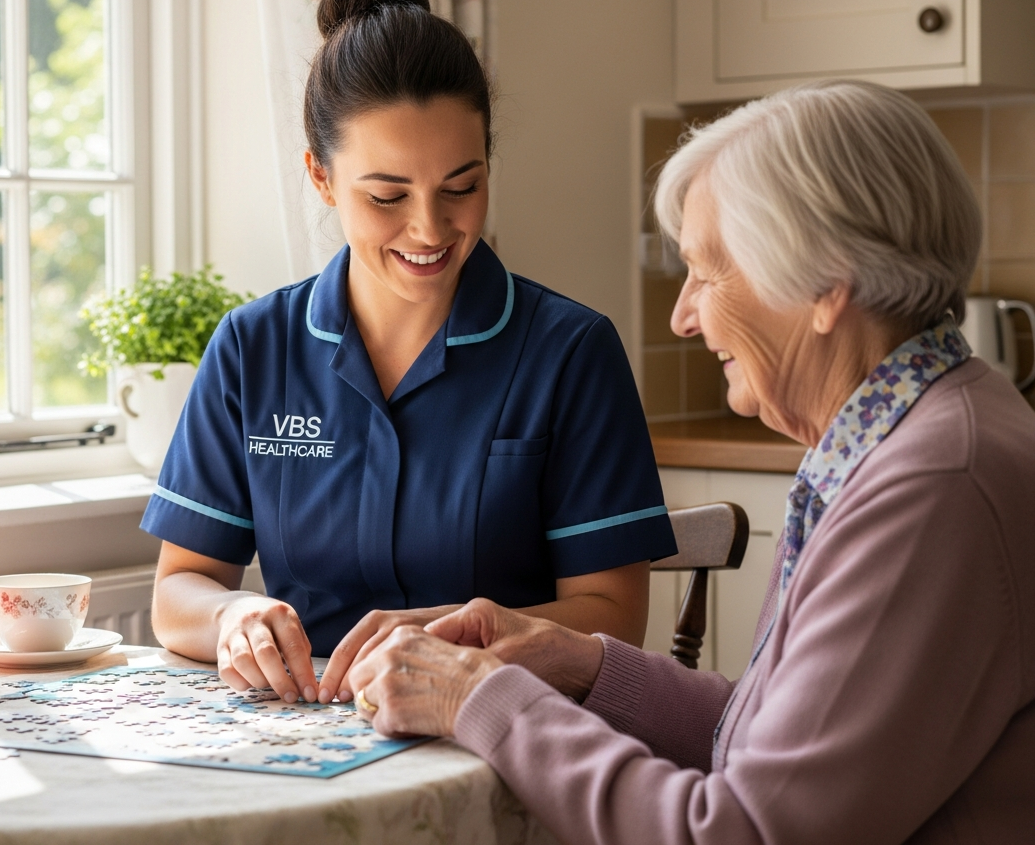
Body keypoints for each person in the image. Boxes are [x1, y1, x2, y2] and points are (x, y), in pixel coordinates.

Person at [347, 79, 1035, 844]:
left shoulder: (935, 490)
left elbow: (741, 832)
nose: (682, 316)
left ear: (826, 284)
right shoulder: (911, 441)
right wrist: (582, 663)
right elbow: (772, 744)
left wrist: (481, 699)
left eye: (707, 272)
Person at [143, 0, 676, 707]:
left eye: (463, 187)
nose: (430, 228)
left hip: (506, 740)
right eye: (387, 195)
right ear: (322, 179)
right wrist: (233, 614)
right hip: (305, 740)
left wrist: (451, 643)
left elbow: (612, 617)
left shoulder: (570, 352)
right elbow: (179, 592)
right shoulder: (251, 347)